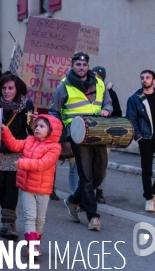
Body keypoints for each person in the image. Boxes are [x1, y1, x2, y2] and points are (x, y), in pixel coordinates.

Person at [49, 52, 113, 231]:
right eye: (78, 65)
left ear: (88, 66)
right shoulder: (64, 86)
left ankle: (73, 200)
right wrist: (59, 131)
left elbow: (108, 103)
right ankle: (93, 216)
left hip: (98, 130)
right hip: (77, 133)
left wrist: (107, 110)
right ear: (73, 66)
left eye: (84, 65)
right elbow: (54, 110)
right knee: (85, 175)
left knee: (98, 174)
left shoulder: (99, 83)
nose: (81, 68)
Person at [0, 115, 62, 257]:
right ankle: (32, 247)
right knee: (30, 217)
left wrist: (22, 163)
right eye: (36, 126)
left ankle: (35, 245)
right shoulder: (29, 140)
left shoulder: (54, 147)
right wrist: (5, 130)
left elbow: (43, 164)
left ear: (51, 130)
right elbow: (14, 145)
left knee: (40, 219)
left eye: (42, 126)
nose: (37, 129)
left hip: (44, 190)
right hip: (27, 187)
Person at [0, 74, 35, 240]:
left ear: (17, 88)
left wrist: (35, 123)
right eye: (4, 88)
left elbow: (32, 131)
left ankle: (8, 223)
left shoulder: (26, 105)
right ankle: (6, 219)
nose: (7, 91)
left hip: (16, 151)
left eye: (10, 88)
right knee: (1, 187)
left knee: (12, 186)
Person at [126, 70, 155, 213]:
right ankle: (149, 200)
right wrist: (138, 137)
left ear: (154, 81)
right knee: (146, 170)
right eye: (142, 78)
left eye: (148, 78)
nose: (144, 80)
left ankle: (154, 194)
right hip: (145, 139)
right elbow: (131, 120)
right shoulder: (134, 98)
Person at [91, 66, 122, 204]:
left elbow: (118, 114)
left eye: (97, 74)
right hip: (89, 133)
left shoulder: (110, 94)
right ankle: (84, 192)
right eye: (92, 74)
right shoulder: (87, 91)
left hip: (104, 135)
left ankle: (99, 191)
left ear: (102, 78)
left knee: (101, 164)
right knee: (86, 164)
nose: (94, 76)